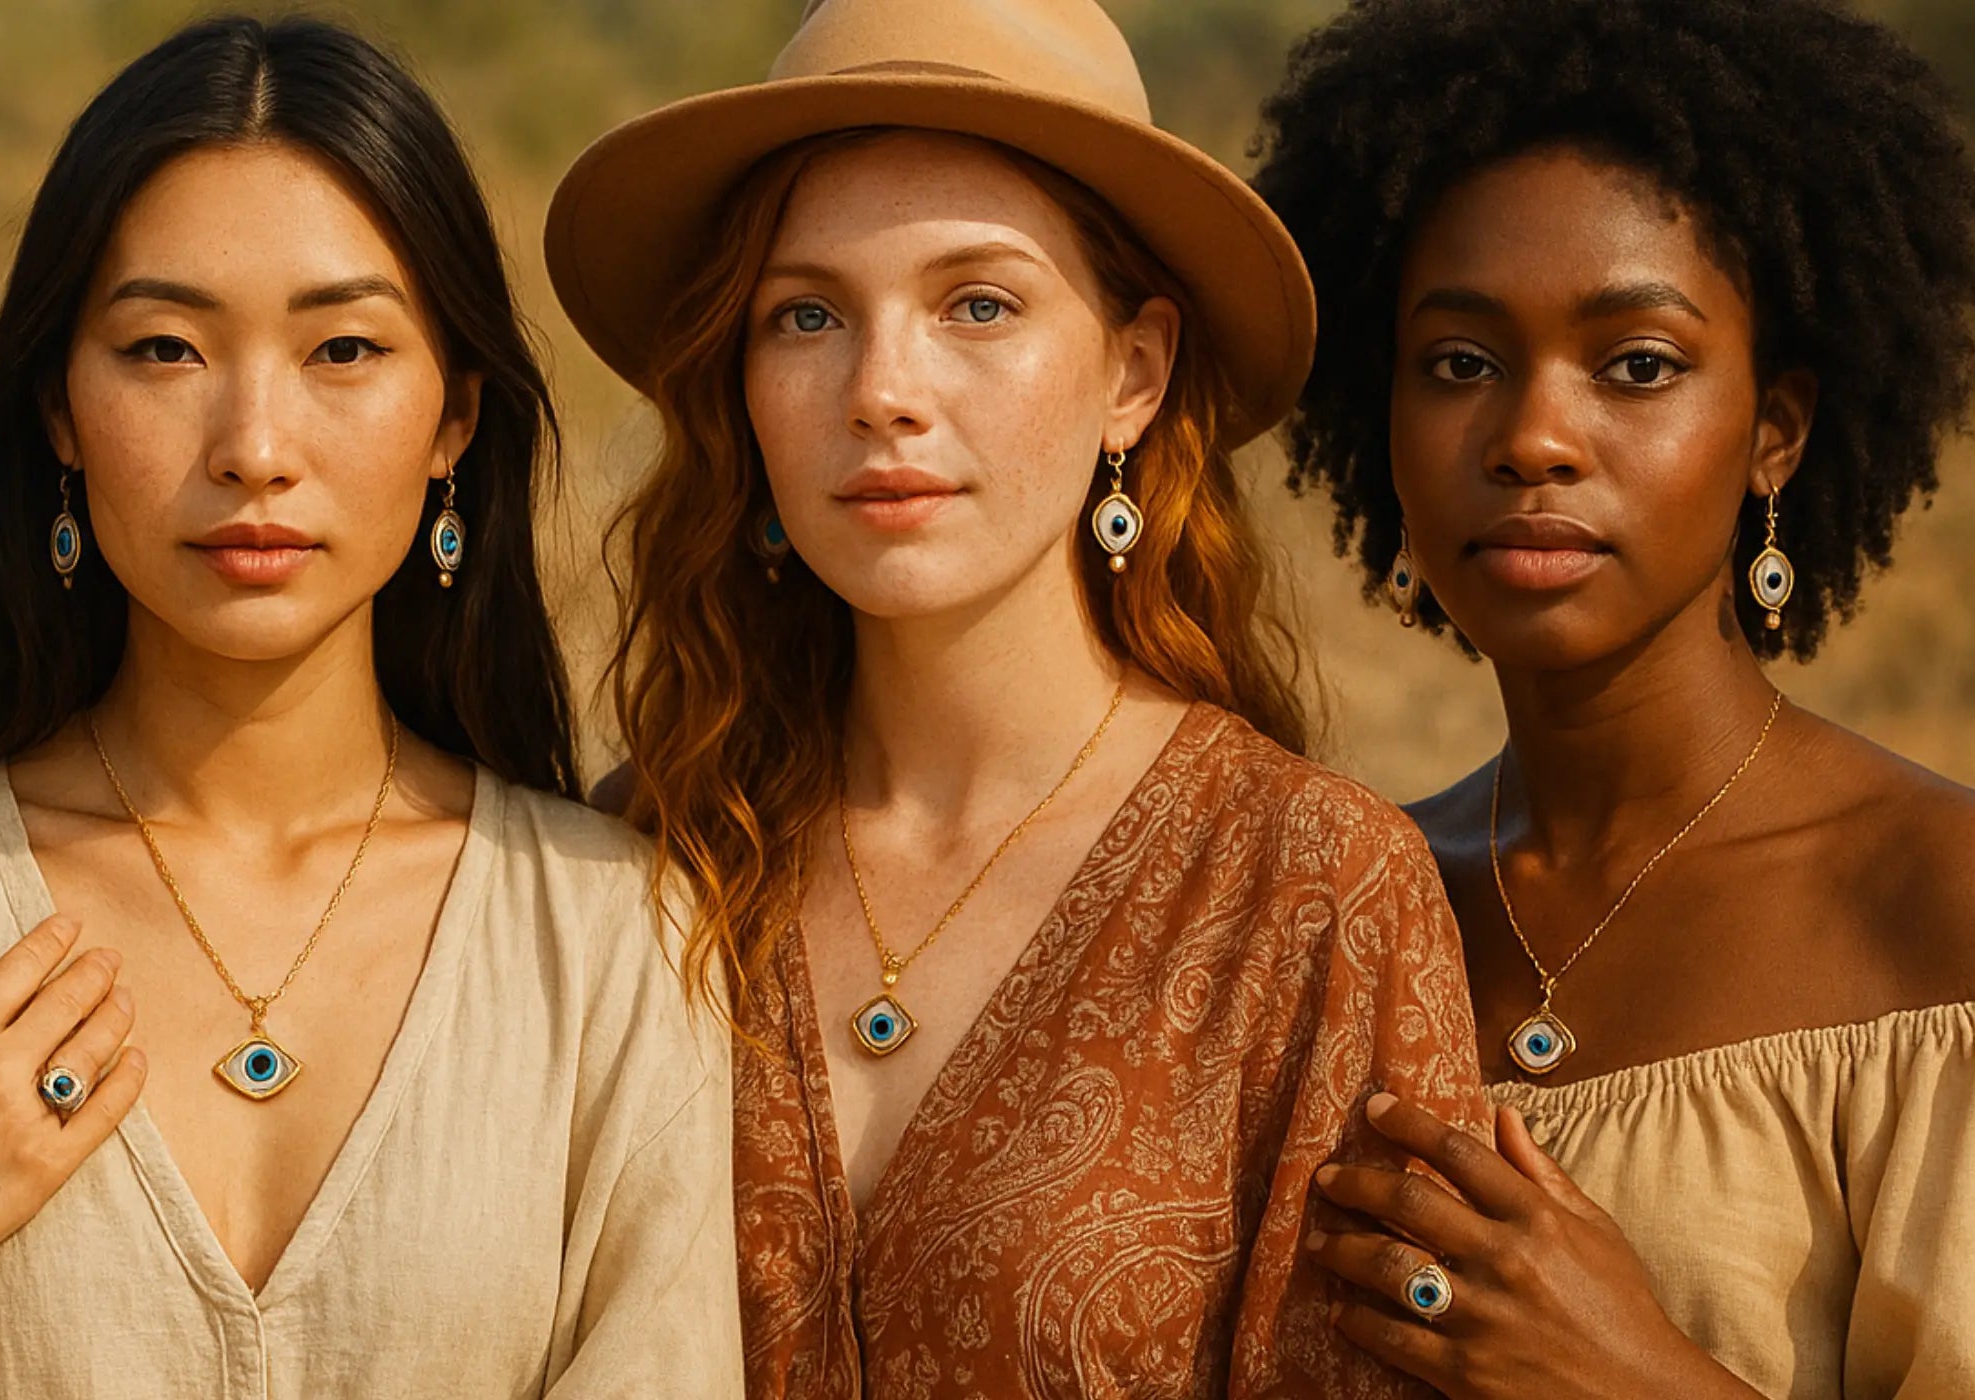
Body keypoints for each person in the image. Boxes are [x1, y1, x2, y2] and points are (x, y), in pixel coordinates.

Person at [0, 16, 739, 1399]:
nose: (254, 449)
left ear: (455, 419)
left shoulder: (612, 936)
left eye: (344, 350)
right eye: (166, 349)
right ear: (59, 407)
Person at [549, 0, 1484, 1393]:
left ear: (1133, 373)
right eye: (806, 315)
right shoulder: (646, 855)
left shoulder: (1310, 888)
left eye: (977, 304)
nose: (881, 391)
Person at [1255, 0, 1975, 1394]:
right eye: (1460, 364)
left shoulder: (1958, 912)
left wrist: (1632, 1371)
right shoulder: (1357, 898)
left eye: (1638, 365)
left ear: (1775, 433)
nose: (1533, 439)